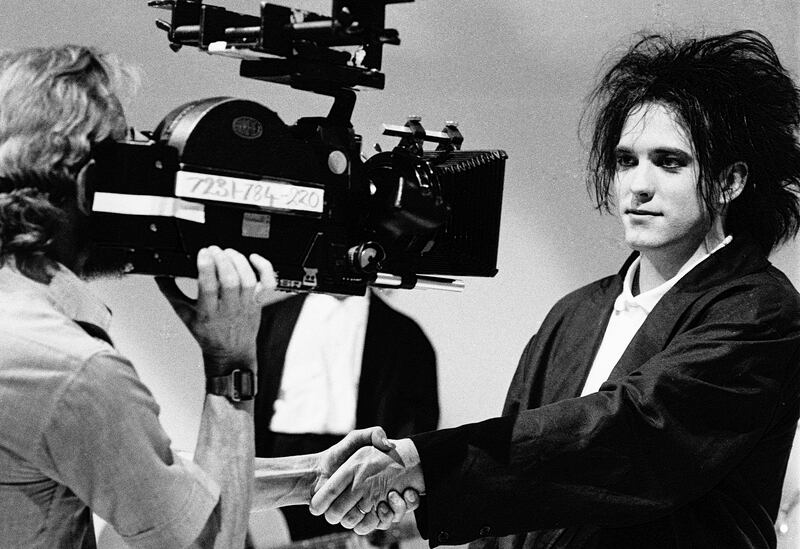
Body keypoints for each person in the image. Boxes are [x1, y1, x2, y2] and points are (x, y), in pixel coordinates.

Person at [307, 30, 800, 548]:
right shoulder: (577, 311)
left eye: (670, 162)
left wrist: (423, 461)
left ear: (730, 181)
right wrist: (414, 477)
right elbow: (519, 481)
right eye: (626, 161)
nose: (638, 185)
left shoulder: (761, 310)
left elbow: (631, 433)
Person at [0, 44, 410, 549]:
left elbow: (148, 487)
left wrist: (308, 478)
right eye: (130, 158)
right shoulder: (73, 372)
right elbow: (207, 541)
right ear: (89, 185)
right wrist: (231, 363)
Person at [254, 288, 439, 541]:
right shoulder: (270, 319)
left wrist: (391, 491)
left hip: (359, 472)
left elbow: (416, 425)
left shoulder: (405, 334)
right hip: (278, 463)